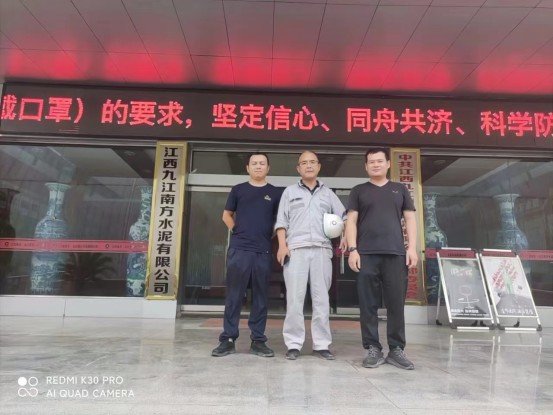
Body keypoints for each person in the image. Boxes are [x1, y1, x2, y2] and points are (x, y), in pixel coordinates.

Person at [345, 148, 418, 370]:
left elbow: (410, 219)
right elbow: (351, 221)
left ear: (388, 164)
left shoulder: (400, 189)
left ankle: (396, 349)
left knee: (396, 303)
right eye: (371, 162)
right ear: (366, 166)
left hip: (396, 254)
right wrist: (353, 249)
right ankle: (372, 348)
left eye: (379, 161)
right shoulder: (359, 191)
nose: (375, 165)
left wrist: (412, 248)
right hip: (366, 254)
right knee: (368, 304)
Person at [275, 151, 346, 361]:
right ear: (298, 168)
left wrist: (344, 236)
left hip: (322, 250)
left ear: (319, 166)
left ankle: (321, 345)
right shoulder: (289, 192)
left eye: (312, 162)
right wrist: (282, 246)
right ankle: (293, 344)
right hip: (296, 250)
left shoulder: (328, 194)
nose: (308, 165)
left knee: (321, 300)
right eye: (304, 163)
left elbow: (344, 217)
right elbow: (281, 221)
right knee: (294, 300)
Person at [211, 153, 282, 358]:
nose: (258, 166)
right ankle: (228, 339)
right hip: (239, 250)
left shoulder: (275, 193)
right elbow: (226, 215)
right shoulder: (238, 190)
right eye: (254, 163)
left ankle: (258, 340)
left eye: (262, 163)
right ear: (248, 168)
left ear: (268, 168)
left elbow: (280, 221)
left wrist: (268, 236)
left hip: (263, 251)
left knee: (261, 297)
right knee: (234, 296)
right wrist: (237, 231)